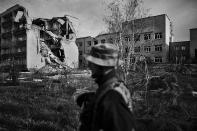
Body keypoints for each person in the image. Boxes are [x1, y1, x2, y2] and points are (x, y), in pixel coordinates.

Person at [77, 43, 136, 131]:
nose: (88, 65)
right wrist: (93, 97)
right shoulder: (112, 86)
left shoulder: (112, 97)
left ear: (102, 66)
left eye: (92, 62)